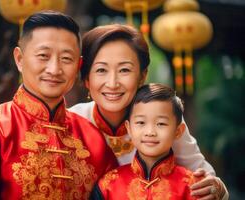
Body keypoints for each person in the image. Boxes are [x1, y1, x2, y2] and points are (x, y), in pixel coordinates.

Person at [0, 11, 118, 199]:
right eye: (43, 55)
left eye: (66, 59)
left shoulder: (92, 137)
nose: (54, 69)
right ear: (19, 59)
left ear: (78, 66)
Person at [69, 24, 228, 199]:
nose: (113, 83)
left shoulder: (163, 119)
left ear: (142, 76)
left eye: (124, 70)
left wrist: (218, 189)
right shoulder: (71, 122)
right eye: (101, 70)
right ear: (86, 79)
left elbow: (204, 176)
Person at [90, 83, 204, 199]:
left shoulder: (193, 186)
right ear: (128, 128)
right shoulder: (107, 185)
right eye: (141, 123)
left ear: (178, 131)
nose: (150, 132)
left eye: (161, 124)